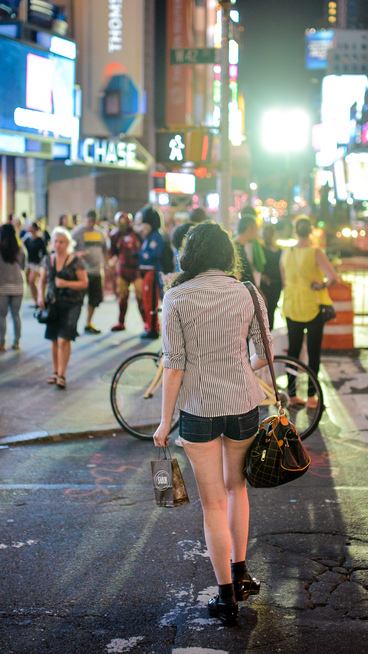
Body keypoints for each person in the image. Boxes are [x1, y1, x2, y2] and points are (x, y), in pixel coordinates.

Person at [152, 222, 268, 626]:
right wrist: (236, 367)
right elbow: (262, 350)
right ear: (226, 253)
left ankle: (225, 597)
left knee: (213, 502)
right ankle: (241, 574)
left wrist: (164, 421)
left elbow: (174, 366)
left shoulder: (176, 297)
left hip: (198, 409)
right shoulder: (247, 292)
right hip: (243, 405)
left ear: (191, 255)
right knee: (237, 489)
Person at [280, 216, 341, 411]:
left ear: (295, 231)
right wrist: (321, 284)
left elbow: (284, 280)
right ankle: (312, 397)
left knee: (293, 351)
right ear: (310, 231)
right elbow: (333, 277)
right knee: (313, 352)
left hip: (291, 305)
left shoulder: (286, 253)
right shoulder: (315, 252)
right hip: (312, 305)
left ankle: (291, 394)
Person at [37, 227, 88, 390]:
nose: (58, 245)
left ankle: (62, 374)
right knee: (54, 338)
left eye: (61, 242)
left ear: (68, 244)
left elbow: (84, 283)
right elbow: (42, 280)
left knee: (63, 339)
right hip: (53, 304)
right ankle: (55, 371)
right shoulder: (48, 260)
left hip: (72, 304)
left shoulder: (75, 261)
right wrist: (40, 295)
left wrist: (66, 283)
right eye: (56, 242)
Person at [0, 223, 27, 351]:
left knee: (2, 316)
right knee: (16, 315)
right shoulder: (20, 248)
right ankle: (17, 342)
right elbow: (23, 266)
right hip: (17, 286)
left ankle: (2, 343)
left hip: (1, 286)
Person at [71, 209, 108, 334]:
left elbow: (104, 249)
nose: (91, 223)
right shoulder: (77, 233)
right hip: (82, 272)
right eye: (89, 220)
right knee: (78, 300)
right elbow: (69, 249)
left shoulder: (99, 233)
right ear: (85, 219)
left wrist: (106, 264)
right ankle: (73, 326)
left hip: (96, 271)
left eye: (93, 221)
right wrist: (78, 254)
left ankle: (88, 323)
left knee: (94, 300)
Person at [136, 206, 169, 340]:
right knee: (148, 301)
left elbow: (152, 254)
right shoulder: (150, 237)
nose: (141, 227)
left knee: (151, 301)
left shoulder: (156, 237)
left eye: (143, 223)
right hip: (149, 273)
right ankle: (151, 326)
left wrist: (141, 254)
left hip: (153, 273)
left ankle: (153, 328)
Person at [109, 211, 142, 332]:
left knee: (141, 297)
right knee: (122, 298)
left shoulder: (137, 233)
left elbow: (143, 248)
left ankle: (146, 323)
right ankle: (121, 322)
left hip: (136, 269)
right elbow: (113, 252)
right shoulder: (115, 235)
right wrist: (112, 261)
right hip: (122, 269)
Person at [259, 223, 284, 328]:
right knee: (264, 312)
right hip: (265, 285)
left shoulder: (280, 250)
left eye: (269, 234)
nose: (267, 236)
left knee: (272, 311)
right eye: (266, 234)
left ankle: (269, 336)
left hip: (277, 284)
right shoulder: (261, 249)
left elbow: (282, 268)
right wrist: (262, 276)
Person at [23, 221, 47, 304]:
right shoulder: (27, 239)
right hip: (28, 263)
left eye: (31, 227)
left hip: (37, 264)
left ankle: (38, 299)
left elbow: (44, 253)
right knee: (29, 282)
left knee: (31, 281)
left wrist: (42, 265)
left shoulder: (40, 240)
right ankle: (35, 300)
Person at [234, 215, 262, 284]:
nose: (257, 233)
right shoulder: (235, 249)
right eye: (256, 229)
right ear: (250, 228)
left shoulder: (239, 247)